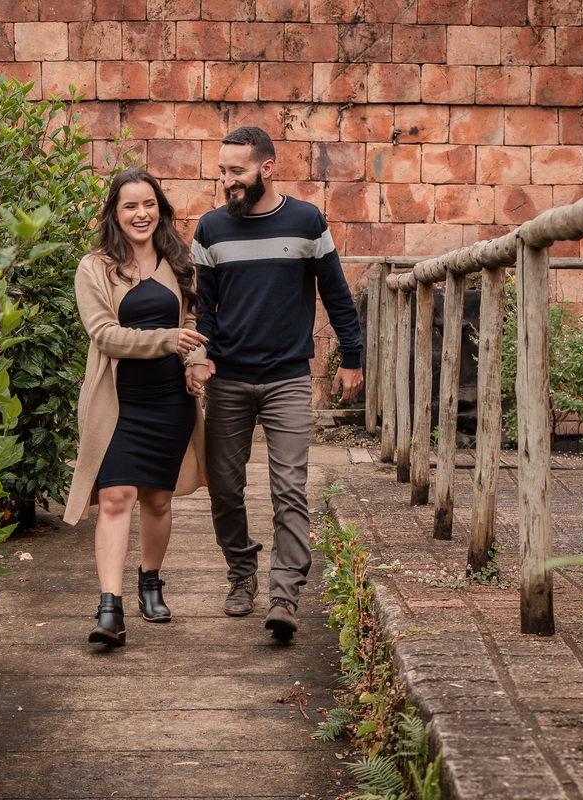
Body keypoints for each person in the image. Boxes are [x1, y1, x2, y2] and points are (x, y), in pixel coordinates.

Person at [187, 126, 364, 640]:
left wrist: (351, 357)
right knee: (224, 486)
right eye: (222, 172)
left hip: (288, 377)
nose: (226, 181)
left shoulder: (307, 221)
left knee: (289, 488)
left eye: (236, 171)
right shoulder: (210, 229)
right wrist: (200, 357)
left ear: (266, 168)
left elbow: (337, 294)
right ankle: (242, 575)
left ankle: (284, 594)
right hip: (228, 379)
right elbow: (206, 311)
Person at [63, 168, 209, 647]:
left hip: (171, 401)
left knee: (158, 499)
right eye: (130, 206)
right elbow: (103, 333)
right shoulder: (95, 267)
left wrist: (196, 361)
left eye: (149, 204)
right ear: (115, 213)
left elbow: (193, 325)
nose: (141, 214)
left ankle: (150, 583)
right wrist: (169, 340)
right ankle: (110, 608)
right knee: (114, 497)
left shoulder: (179, 261)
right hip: (118, 403)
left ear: (160, 210)